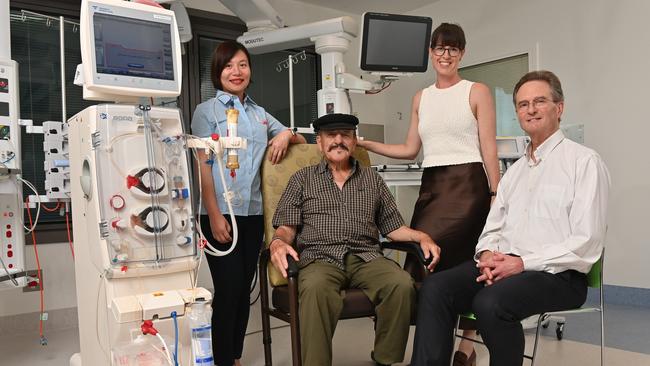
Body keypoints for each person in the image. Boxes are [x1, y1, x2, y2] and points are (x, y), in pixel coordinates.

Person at [410, 70, 611, 366]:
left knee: (491, 303)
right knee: (435, 288)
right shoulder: (514, 172)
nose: (530, 109)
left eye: (539, 101)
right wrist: (489, 254)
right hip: (505, 267)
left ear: (560, 107)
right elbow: (492, 229)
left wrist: (521, 263)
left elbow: (586, 243)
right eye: (522, 104)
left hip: (557, 275)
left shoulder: (584, 163)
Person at [356, 22, 499, 364]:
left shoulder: (476, 91)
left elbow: (489, 149)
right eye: (439, 48)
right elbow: (409, 149)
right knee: (423, 259)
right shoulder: (421, 97)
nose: (445, 55)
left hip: (469, 188)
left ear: (461, 53)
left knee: (468, 266)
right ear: (430, 53)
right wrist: (365, 143)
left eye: (452, 49)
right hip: (433, 187)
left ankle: (465, 347)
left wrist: (496, 196)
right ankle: (437, 349)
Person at [269, 113, 441, 366]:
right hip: (320, 258)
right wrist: (277, 242)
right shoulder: (302, 179)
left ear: (354, 141)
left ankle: (385, 359)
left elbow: (394, 228)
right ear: (319, 142)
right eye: (331, 136)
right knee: (316, 289)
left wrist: (422, 236)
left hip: (367, 257)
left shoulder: (372, 179)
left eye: (345, 135)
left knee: (401, 284)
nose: (338, 141)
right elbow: (287, 228)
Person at [191, 40, 305, 366]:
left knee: (243, 291)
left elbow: (294, 137)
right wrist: (213, 215)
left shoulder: (259, 115)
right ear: (218, 72)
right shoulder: (206, 112)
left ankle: (235, 357)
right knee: (227, 291)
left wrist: (285, 134)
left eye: (242, 64)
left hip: (253, 214)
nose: (236, 72)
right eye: (228, 66)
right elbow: (204, 164)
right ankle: (222, 360)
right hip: (219, 212)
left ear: (250, 70)